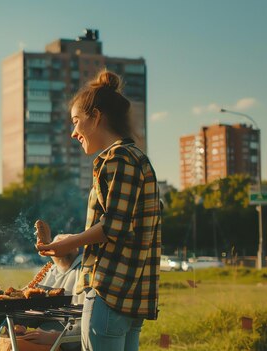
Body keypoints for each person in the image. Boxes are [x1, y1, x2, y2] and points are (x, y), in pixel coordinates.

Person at [36, 70, 161, 351]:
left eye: (76, 121)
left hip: (109, 291)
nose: (73, 132)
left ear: (97, 117)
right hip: (134, 293)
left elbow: (113, 226)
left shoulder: (116, 159)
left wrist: (66, 244)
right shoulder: (138, 158)